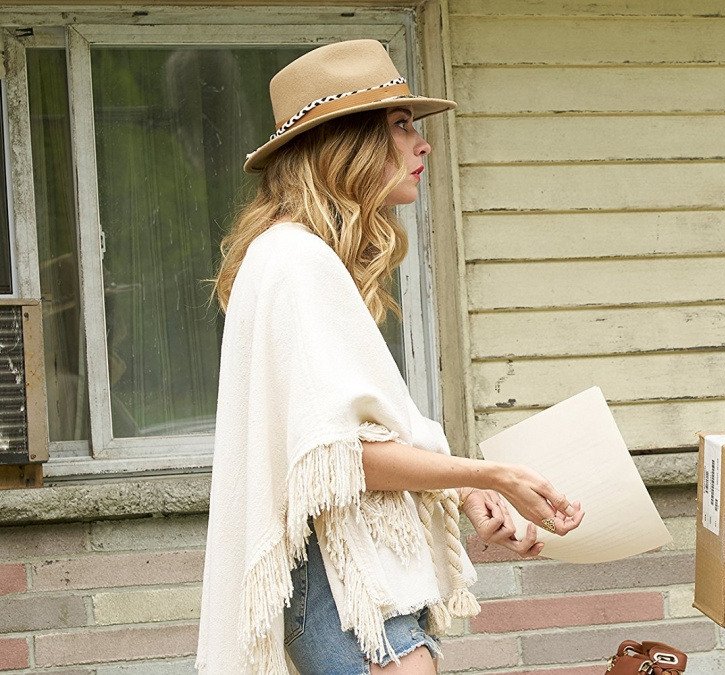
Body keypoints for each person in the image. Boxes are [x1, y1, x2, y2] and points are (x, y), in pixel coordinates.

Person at [195, 40, 583, 675]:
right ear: (346, 145)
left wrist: (461, 486)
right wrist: (493, 475)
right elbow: (339, 459)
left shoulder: (290, 255)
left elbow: (345, 443)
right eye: (401, 126)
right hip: (341, 582)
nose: (422, 144)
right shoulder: (297, 262)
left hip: (344, 576)